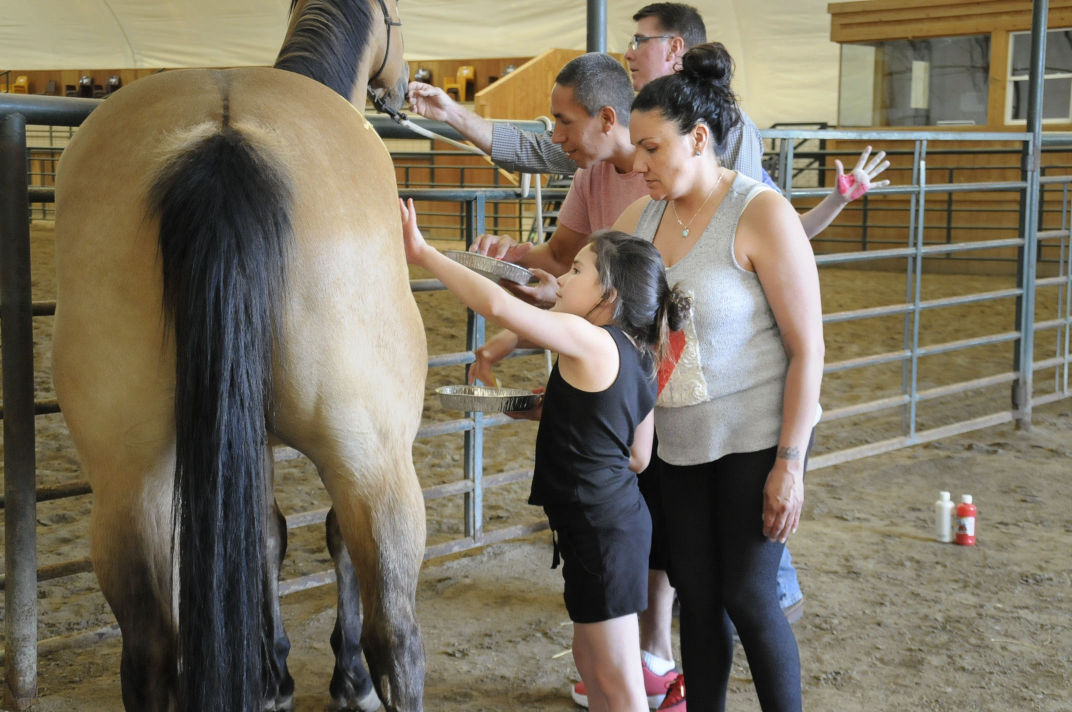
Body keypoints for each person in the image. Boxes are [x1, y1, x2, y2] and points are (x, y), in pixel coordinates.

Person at [399, 195, 692, 712]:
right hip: (607, 525)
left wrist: (423, 252)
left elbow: (497, 307)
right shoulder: (639, 354)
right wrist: (553, 411)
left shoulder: (589, 339)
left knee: (619, 683)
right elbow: (638, 456)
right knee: (591, 660)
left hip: (600, 529)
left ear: (608, 294)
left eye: (577, 270)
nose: (563, 280)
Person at [607, 42, 825, 711]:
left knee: (748, 594)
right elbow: (583, 289)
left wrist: (791, 462)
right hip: (676, 443)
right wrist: (518, 284)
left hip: (753, 439)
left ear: (698, 138)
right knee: (696, 596)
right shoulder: (641, 219)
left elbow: (808, 347)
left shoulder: (759, 212)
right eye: (634, 149)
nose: (636, 163)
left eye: (651, 148)